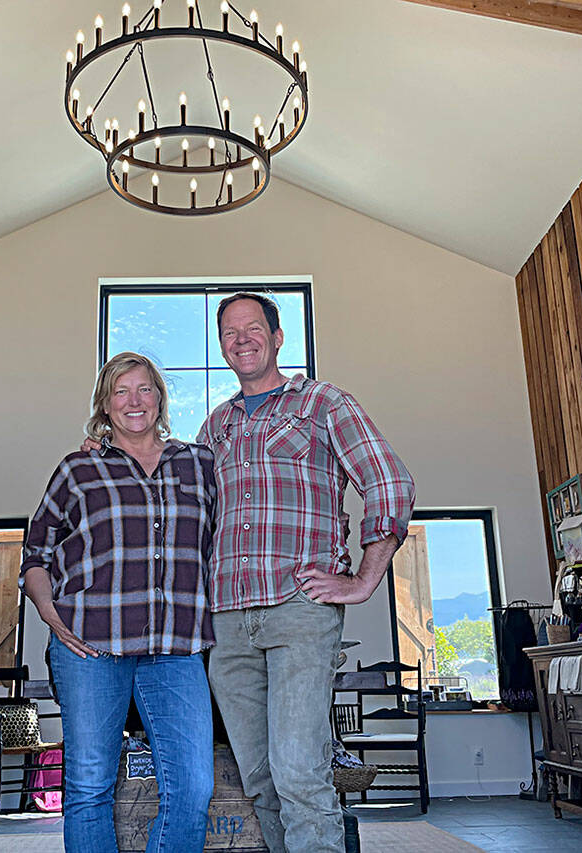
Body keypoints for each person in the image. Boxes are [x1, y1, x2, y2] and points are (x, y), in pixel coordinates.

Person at [200, 293, 415, 852]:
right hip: (225, 619)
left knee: (300, 772)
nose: (241, 339)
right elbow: (181, 506)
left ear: (277, 337)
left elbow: (388, 481)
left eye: (253, 328)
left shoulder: (324, 403)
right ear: (221, 346)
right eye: (229, 332)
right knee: (261, 780)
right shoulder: (216, 426)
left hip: (298, 610)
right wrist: (106, 450)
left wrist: (365, 579)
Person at [20, 352, 217, 853]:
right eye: (121, 391)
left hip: (177, 648)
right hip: (90, 646)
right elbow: (35, 553)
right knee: (89, 789)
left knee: (194, 787)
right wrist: (49, 613)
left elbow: (231, 532)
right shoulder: (78, 469)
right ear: (105, 405)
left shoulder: (198, 464)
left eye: (145, 389)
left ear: (160, 398)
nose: (135, 400)